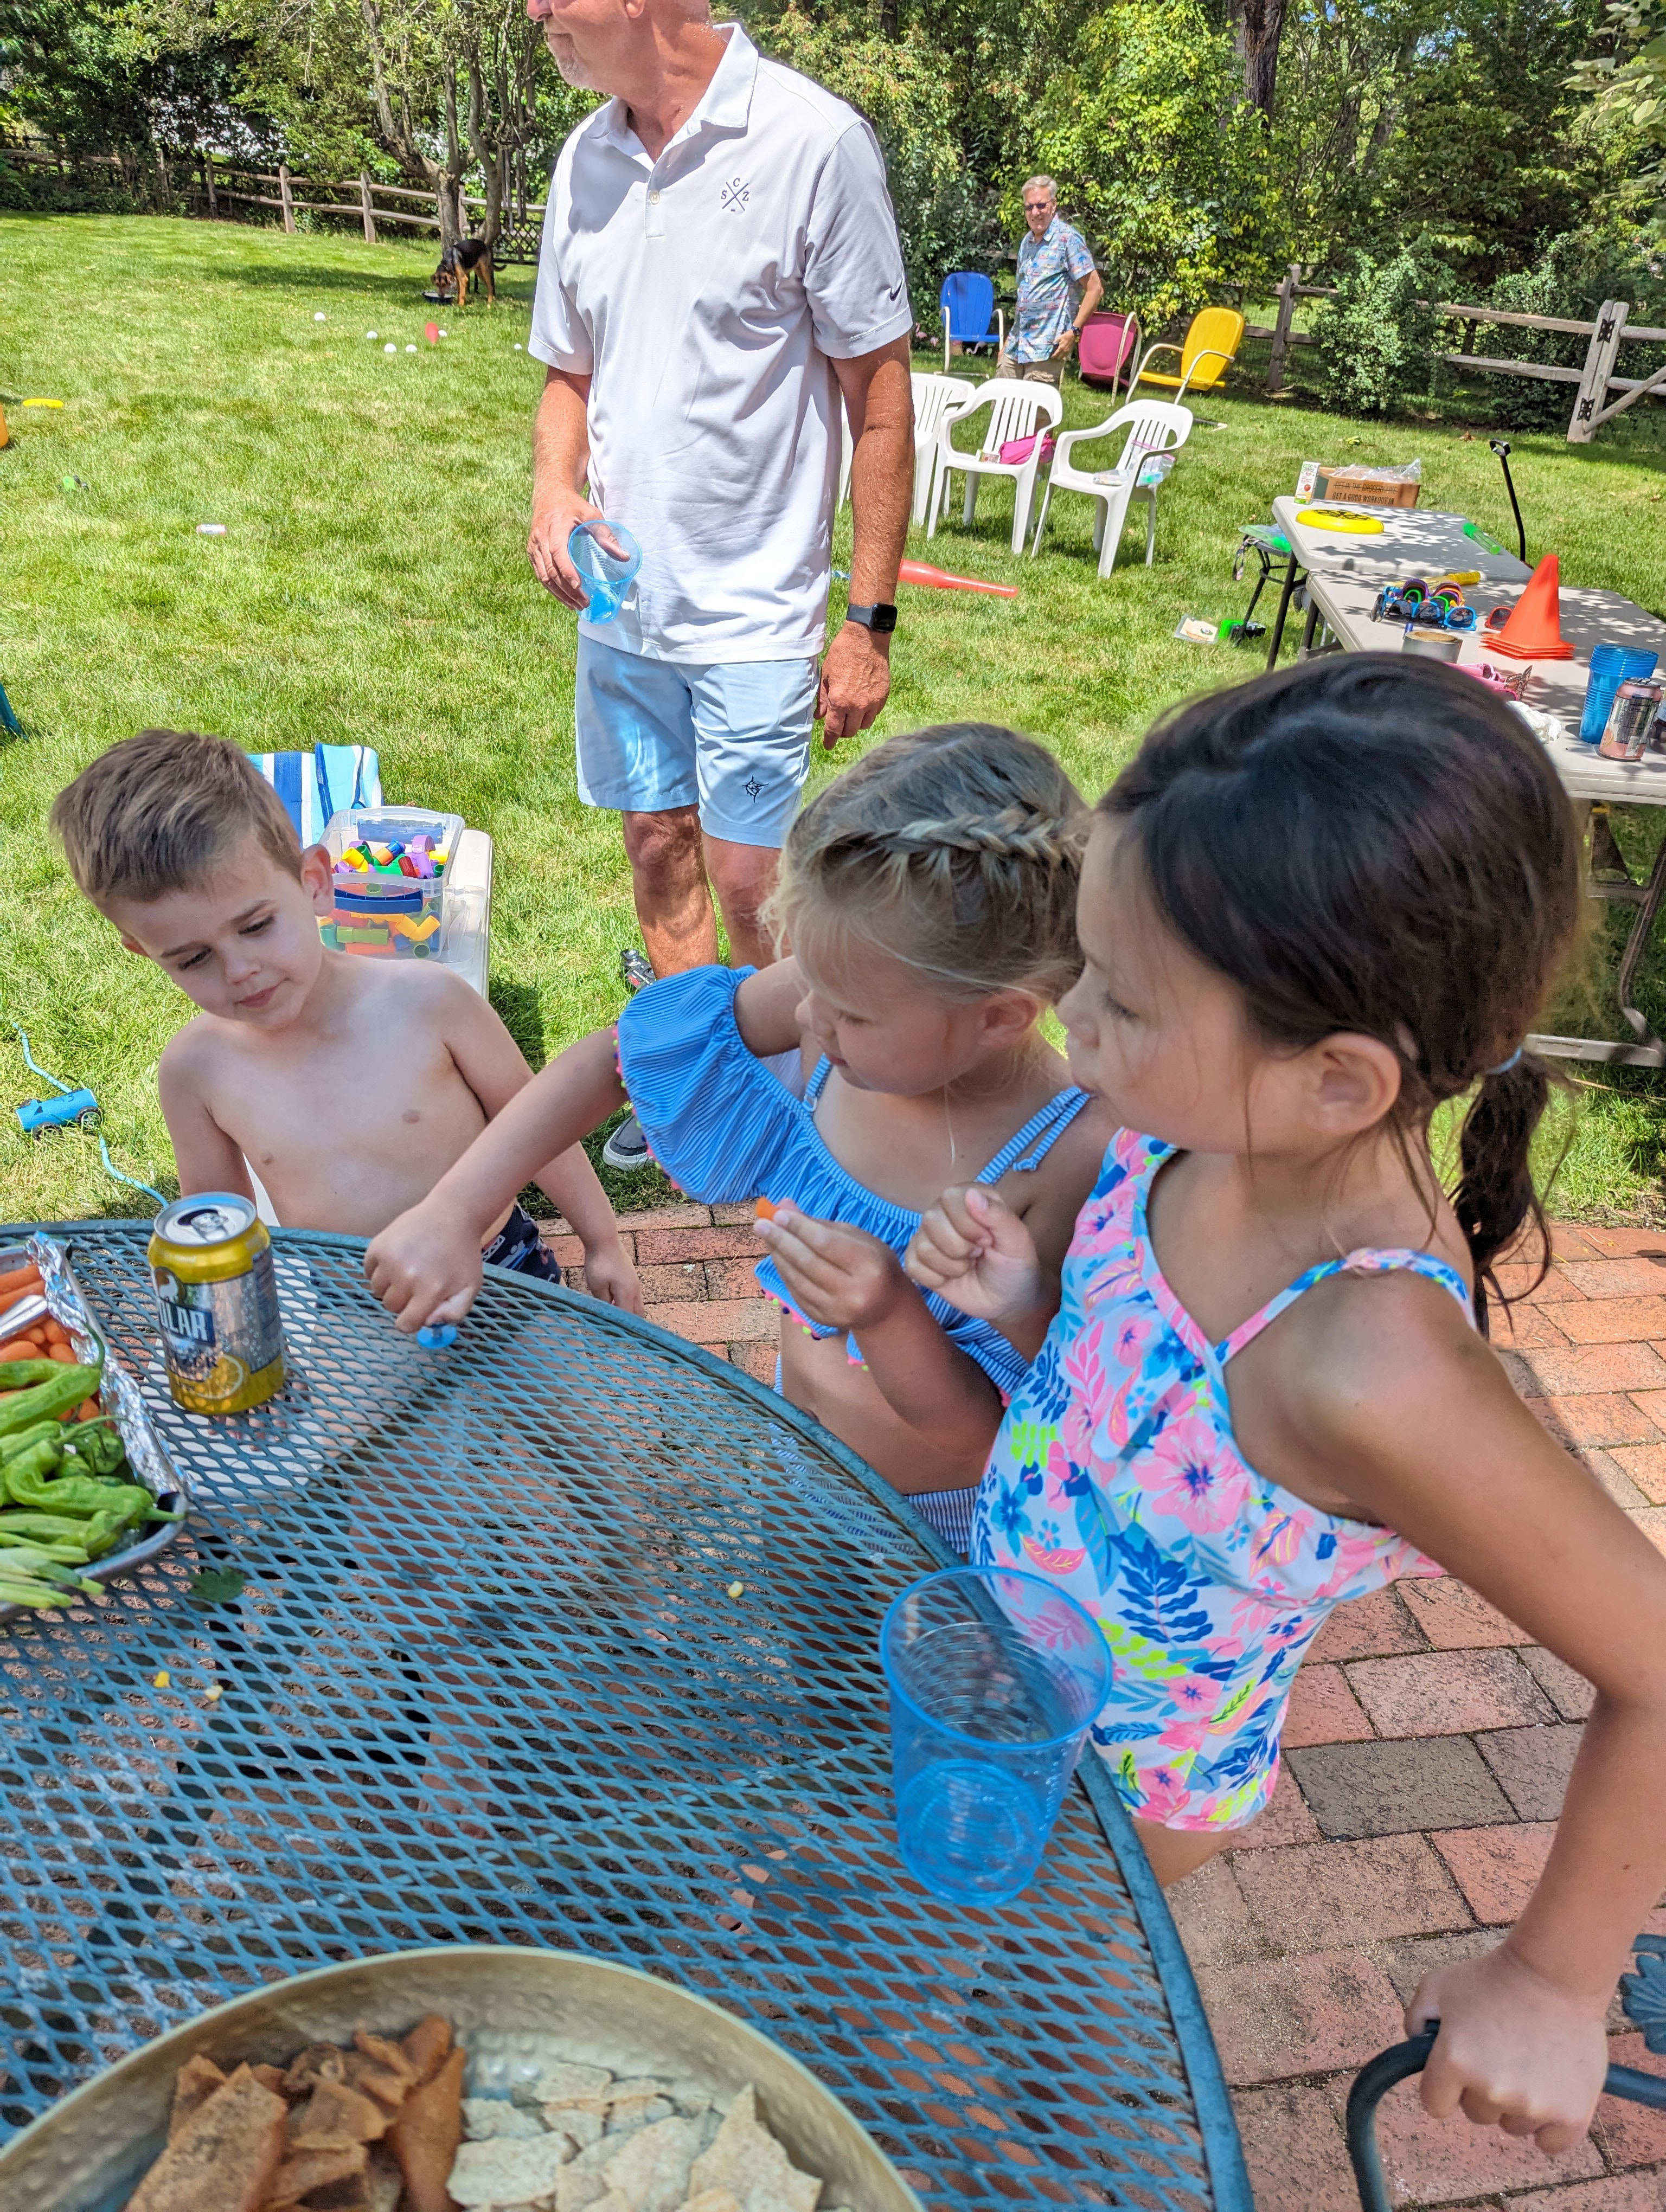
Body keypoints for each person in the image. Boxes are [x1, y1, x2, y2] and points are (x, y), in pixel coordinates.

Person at [904, 655, 1666, 2155]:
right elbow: (1154, 1416)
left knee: (1053, 2020)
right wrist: (1028, 1306)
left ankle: (1081, 2159)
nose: (1069, 1021)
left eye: (1120, 999)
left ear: (1334, 1079)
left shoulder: (1369, 1364)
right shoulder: (1183, 1132)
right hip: (1009, 1658)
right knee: (987, 1974)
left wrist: (1551, 1977)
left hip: (1125, 1782)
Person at [362, 725, 1110, 1548]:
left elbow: (983, 1429)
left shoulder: (1067, 1158)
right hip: (794, 1458)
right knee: (797, 1623)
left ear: (998, 1016)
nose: (810, 1017)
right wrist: (457, 1210)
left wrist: (887, 1313)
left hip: (935, 1530)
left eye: (851, 1015)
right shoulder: (843, 995)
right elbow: (613, 1063)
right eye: (808, 980)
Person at [523, 0, 915, 1169]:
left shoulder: (813, 142)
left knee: (753, 888)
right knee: (657, 846)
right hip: (621, 606)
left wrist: (867, 622)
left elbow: (882, 400)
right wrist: (553, 491)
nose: (533, 11)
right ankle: (696, 1093)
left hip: (758, 609)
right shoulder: (585, 156)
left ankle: (799, 1116)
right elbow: (567, 372)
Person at [50, 728, 640, 1310]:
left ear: (314, 881)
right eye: (193, 959)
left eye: (256, 926)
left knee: (545, 1381)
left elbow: (539, 1123)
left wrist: (603, 1242)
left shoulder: (431, 1001)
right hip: (352, 1303)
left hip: (500, 1271)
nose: (240, 971)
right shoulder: (193, 1072)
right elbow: (218, 1229)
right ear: (145, 952)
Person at [997, 175, 1103, 388]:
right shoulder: (1027, 242)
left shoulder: (1068, 239)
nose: (1035, 212)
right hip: (1017, 344)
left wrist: (1074, 332)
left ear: (1053, 205)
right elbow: (1025, 296)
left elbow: (1095, 290)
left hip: (1046, 347)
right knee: (1002, 403)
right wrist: (1009, 341)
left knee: (1035, 408)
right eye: (1029, 207)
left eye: (1041, 205)